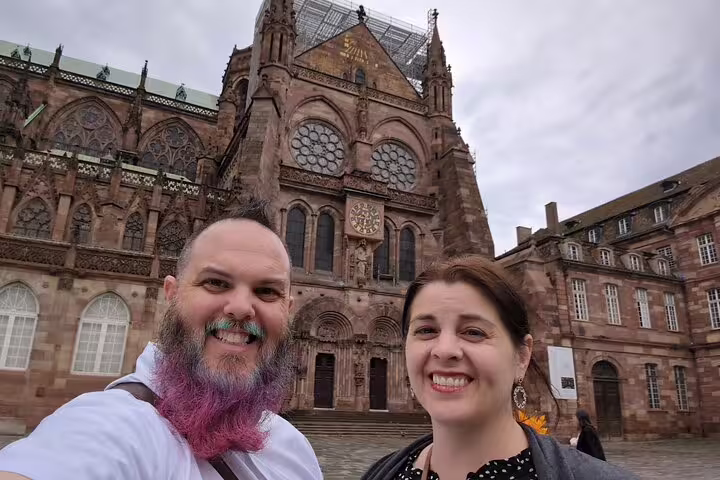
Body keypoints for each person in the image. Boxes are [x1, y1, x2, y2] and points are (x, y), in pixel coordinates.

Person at [0, 199, 322, 480]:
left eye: (266, 291)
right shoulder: (122, 426)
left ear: (288, 310)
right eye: (215, 283)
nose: (240, 308)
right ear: (172, 293)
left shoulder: (293, 448)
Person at [362, 255, 636, 480]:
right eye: (426, 330)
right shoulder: (380, 474)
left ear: (522, 357)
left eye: (473, 332)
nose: (444, 350)